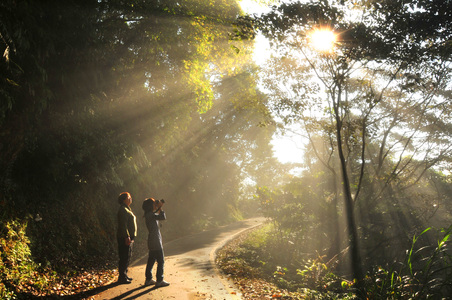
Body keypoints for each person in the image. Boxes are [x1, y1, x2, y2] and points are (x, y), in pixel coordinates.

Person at [142, 197, 170, 287]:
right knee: (161, 260)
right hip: (156, 240)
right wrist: (160, 208)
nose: (155, 205)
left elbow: (158, 217)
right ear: (151, 206)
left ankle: (148, 279)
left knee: (151, 260)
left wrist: (158, 207)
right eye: (154, 204)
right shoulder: (151, 215)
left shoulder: (149, 214)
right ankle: (159, 280)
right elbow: (163, 217)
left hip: (152, 240)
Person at [117, 192, 137, 284]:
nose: (130, 198)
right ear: (124, 199)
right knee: (124, 256)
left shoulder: (127, 209)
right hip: (124, 237)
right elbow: (123, 225)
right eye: (129, 197)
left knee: (127, 256)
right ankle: (122, 277)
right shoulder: (123, 210)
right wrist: (127, 236)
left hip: (128, 237)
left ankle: (124, 275)